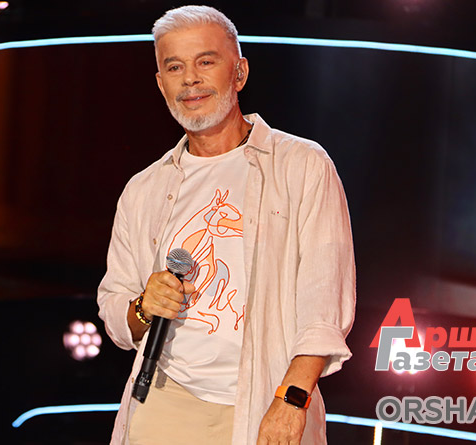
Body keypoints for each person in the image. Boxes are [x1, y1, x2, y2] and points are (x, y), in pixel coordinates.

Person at [97, 5, 355, 444]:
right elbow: (115, 310)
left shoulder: (301, 166)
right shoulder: (144, 189)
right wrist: (143, 307)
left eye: (205, 62)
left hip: (266, 396)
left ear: (239, 73)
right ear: (160, 84)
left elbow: (324, 304)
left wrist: (292, 400)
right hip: (165, 400)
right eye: (174, 67)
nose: (190, 79)